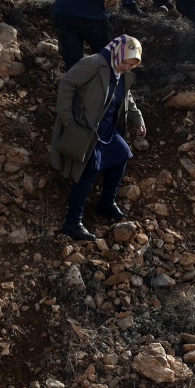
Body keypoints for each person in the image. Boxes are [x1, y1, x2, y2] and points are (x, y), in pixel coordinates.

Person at [51, 35, 146, 241]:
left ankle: (106, 203)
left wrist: (138, 120)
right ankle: (73, 222)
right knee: (89, 170)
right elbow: (67, 83)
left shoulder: (119, 72)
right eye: (124, 62)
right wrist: (67, 118)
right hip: (87, 129)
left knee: (121, 155)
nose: (125, 67)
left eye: (130, 65)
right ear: (117, 53)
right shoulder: (93, 63)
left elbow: (126, 96)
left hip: (107, 130)